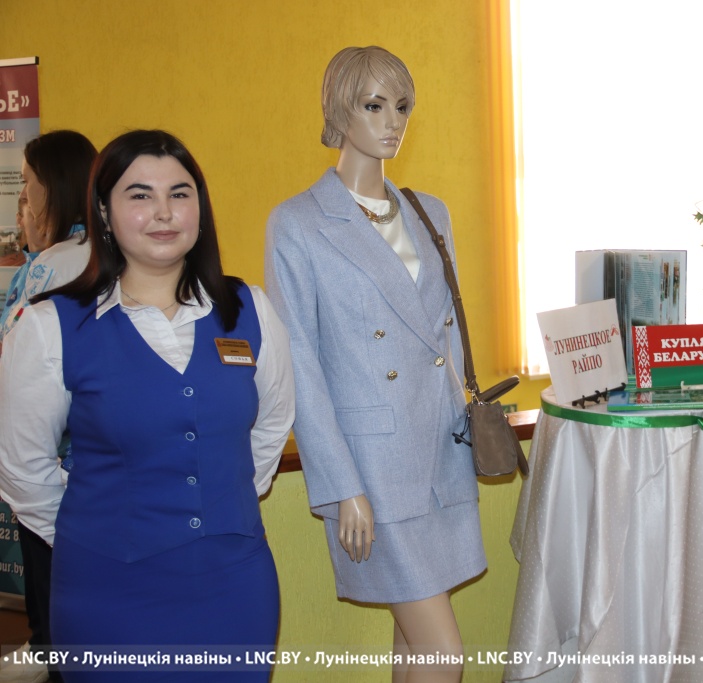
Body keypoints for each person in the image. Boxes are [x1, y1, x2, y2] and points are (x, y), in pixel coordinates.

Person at [0, 129, 295, 682]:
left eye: (180, 194)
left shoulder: (250, 310)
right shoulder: (50, 326)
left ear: (200, 210)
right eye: (140, 195)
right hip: (107, 594)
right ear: (104, 213)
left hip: (235, 589)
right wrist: (91, 532)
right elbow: (21, 465)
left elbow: (272, 424)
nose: (164, 212)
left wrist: (224, 499)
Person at [265, 46, 483, 682]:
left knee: (414, 647)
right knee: (444, 656)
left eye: (403, 106)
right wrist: (341, 486)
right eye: (374, 105)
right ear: (340, 110)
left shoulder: (429, 211)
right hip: (372, 469)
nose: (393, 122)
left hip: (440, 452)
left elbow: (445, 338)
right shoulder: (298, 223)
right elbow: (300, 364)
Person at [0, 130, 96, 683]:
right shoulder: (101, 254)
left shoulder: (52, 265)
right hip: (86, 463)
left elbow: (13, 350)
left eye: (29, 185)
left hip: (51, 464)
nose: (24, 198)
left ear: (54, 189)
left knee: (55, 611)